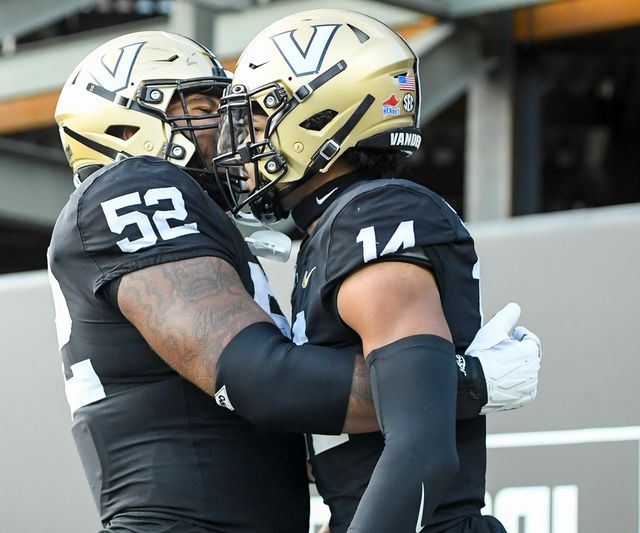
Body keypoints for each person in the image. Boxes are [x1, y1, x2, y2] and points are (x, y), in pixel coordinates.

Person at [48, 30, 540, 532]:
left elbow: (266, 428)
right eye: (202, 108)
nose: (225, 130)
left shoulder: (235, 226)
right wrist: (462, 381)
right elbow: (259, 379)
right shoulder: (136, 185)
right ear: (130, 127)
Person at [212, 9, 534, 533]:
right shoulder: (338, 223)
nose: (241, 145)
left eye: (254, 120)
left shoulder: (373, 214)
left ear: (317, 117)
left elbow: (421, 448)